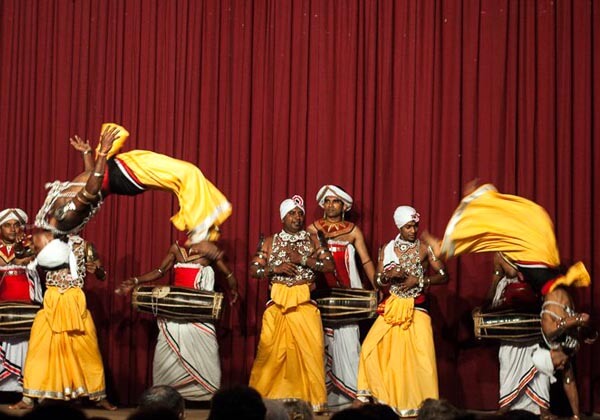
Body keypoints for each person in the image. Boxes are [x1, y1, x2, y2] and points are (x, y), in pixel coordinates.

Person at [420, 182, 595, 418]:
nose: (560, 365)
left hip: (540, 256)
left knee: (518, 227)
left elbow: (560, 330)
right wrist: (581, 323)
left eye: (556, 363)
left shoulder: (560, 330)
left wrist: (579, 323)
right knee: (517, 228)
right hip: (539, 257)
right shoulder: (560, 329)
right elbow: (567, 327)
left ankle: (460, 226)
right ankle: (469, 215)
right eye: (560, 363)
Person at [34, 123, 231, 245]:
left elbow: (89, 176)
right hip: (125, 175)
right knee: (188, 172)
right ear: (49, 240)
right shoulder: (65, 217)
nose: (38, 241)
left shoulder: (55, 212)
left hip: (121, 170)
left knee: (184, 175)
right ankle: (201, 224)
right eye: (41, 244)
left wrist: (87, 153)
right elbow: (92, 188)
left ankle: (206, 217)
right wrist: (102, 152)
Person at [115, 239, 239, 401]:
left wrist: (234, 289)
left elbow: (227, 273)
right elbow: (159, 271)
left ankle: (208, 395)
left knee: (207, 350)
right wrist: (136, 281)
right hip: (173, 309)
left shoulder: (209, 250)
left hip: (199, 310)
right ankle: (164, 394)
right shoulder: (176, 248)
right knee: (166, 351)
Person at [357, 206, 448, 417]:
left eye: (415, 226)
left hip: (418, 305)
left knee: (422, 360)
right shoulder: (386, 249)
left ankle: (426, 409)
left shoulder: (425, 248)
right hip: (393, 306)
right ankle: (383, 401)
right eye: (408, 227)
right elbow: (378, 281)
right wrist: (389, 276)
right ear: (399, 227)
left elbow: (443, 275)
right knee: (371, 347)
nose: (413, 230)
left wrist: (420, 280)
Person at [248, 195, 335, 413]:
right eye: (291, 213)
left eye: (300, 213)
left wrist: (302, 259)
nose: (297, 217)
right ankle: (263, 401)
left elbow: (328, 266)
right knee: (269, 355)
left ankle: (313, 402)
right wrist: (273, 269)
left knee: (312, 352)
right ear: (282, 217)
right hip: (277, 306)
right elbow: (253, 270)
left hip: (305, 303)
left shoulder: (314, 239)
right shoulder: (270, 241)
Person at [13, 234, 116, 410]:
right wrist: (19, 246)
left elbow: (102, 275)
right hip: (52, 300)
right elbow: (20, 259)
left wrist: (97, 271)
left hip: (75, 300)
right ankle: (29, 398)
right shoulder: (44, 244)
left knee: (87, 350)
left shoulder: (84, 246)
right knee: (40, 349)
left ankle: (98, 396)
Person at [307, 185, 375, 410]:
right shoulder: (312, 230)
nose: (330, 205)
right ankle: (321, 397)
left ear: (343, 206)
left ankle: (354, 394)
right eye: (326, 201)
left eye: (335, 201)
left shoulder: (353, 231)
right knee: (321, 342)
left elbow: (365, 261)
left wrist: (377, 286)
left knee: (348, 340)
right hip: (320, 294)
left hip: (348, 295)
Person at [486, 253, 552, 417]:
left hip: (533, 314)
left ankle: (543, 409)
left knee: (539, 365)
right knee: (508, 360)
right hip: (511, 316)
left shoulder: (534, 247)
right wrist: (488, 304)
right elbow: (495, 281)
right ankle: (506, 405)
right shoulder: (500, 255)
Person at [0, 209, 42, 402]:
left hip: (24, 302)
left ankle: (23, 390)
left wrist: (20, 247)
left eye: (16, 225)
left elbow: (23, 260)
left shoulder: (30, 245)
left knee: (24, 342)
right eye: (7, 225)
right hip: (3, 300)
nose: (12, 229)